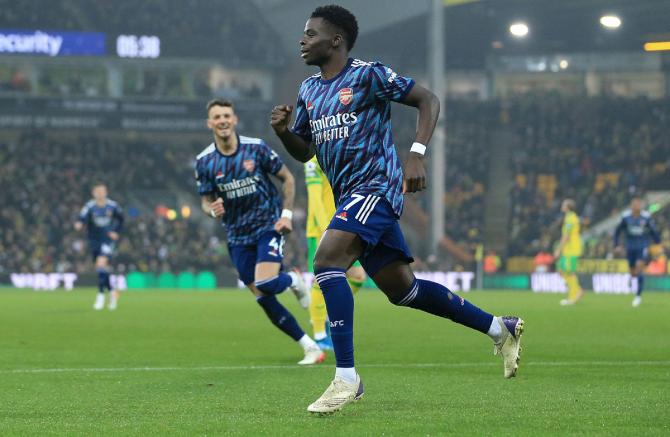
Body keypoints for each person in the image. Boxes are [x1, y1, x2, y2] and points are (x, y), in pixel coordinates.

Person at [271, 5, 524, 414]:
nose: (303, 40)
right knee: (404, 290)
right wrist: (284, 132)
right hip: (350, 197)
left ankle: (346, 378)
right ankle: (501, 328)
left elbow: (427, 98)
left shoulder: (367, 75)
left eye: (310, 33)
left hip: (376, 189)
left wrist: (417, 153)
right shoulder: (309, 90)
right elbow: (305, 152)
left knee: (327, 260)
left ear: (335, 40)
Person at [195, 99, 324, 365]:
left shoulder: (256, 149)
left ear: (235, 120)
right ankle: (310, 346)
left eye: (226, 115)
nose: (222, 120)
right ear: (210, 123)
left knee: (265, 282)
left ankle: (293, 280)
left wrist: (286, 215)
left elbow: (287, 178)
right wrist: (211, 210)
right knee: (262, 297)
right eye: (217, 117)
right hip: (236, 235)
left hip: (268, 225)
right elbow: (206, 201)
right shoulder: (205, 161)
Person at [305, 156, 366, 350]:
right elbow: (314, 198)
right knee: (321, 280)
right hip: (322, 229)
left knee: (357, 277)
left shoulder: (334, 152)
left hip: (342, 225)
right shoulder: (312, 161)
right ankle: (320, 334)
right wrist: (326, 228)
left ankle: (327, 315)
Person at [75, 183, 124, 310]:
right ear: (94, 193)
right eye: (98, 191)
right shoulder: (90, 206)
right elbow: (81, 217)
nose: (100, 193)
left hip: (107, 240)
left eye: (102, 191)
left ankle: (101, 296)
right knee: (101, 269)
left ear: (106, 192)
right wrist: (79, 223)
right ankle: (113, 292)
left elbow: (121, 219)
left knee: (101, 264)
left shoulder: (112, 206)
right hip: (94, 240)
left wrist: (116, 231)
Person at [614, 197, 661, 307]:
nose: (636, 206)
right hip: (630, 247)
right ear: (631, 206)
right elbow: (617, 231)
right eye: (634, 204)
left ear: (641, 206)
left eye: (638, 204)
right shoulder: (626, 217)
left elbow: (654, 232)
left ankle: (638, 296)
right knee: (633, 271)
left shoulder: (646, 217)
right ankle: (633, 278)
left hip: (642, 247)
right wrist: (617, 245)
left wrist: (658, 244)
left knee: (639, 268)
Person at [554, 199, 583, 306]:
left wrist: (558, 249)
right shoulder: (569, 217)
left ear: (568, 207)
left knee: (570, 272)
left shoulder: (571, 218)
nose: (562, 205)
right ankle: (578, 290)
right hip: (568, 249)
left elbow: (566, 236)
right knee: (561, 270)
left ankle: (572, 297)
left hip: (572, 249)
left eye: (564, 204)